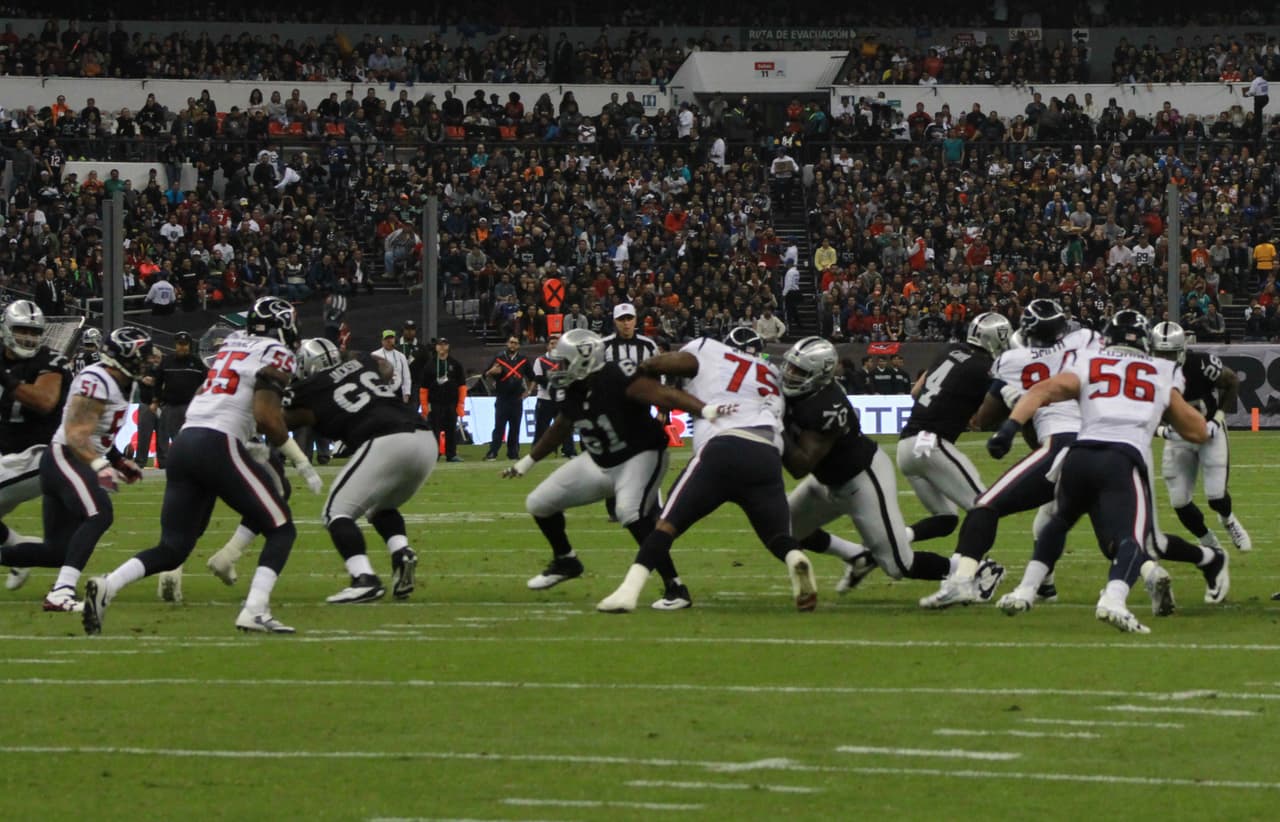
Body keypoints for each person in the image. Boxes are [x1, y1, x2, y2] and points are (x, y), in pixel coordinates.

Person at [82, 297, 323, 635]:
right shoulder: (276, 352)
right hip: (217, 442)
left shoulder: (230, 345)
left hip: (185, 442)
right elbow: (266, 416)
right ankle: (254, 610)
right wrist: (301, 462)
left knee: (173, 548)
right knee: (281, 527)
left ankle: (109, 584)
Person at [987, 310, 1213, 633]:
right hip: (1122, 457)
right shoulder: (1163, 369)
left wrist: (1009, 429)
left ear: (1107, 338)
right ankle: (1114, 600)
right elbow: (1196, 431)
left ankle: (1025, 590)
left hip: (1080, 454)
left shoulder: (1089, 359)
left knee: (1058, 520)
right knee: (1133, 540)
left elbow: (1041, 391)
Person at [596, 327, 817, 613]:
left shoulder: (708, 349)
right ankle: (795, 558)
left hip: (722, 446)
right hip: (766, 451)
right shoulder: (771, 371)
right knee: (777, 536)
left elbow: (672, 363)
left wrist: (646, 367)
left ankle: (628, 591)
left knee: (665, 526)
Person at [503, 328, 707, 607]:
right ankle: (566, 561)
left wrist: (706, 411)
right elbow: (562, 425)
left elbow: (665, 396)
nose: (558, 367)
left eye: (564, 361)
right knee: (539, 503)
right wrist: (526, 462)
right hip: (599, 462)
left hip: (640, 455)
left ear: (583, 360)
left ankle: (675, 587)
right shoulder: (570, 388)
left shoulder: (616, 377)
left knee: (630, 513)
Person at [920, 300, 1100, 609]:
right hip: (1100, 446)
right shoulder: (1084, 342)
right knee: (1112, 526)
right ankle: (1165, 569)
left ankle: (962, 580)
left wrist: (1008, 404)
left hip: (1061, 443)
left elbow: (983, 420)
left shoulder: (1012, 360)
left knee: (986, 506)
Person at [247, 338, 434, 603]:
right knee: (379, 505)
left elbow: (278, 419)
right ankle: (401, 552)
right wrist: (352, 364)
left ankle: (364, 578)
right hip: (425, 440)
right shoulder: (365, 362)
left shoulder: (307, 390)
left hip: (386, 439)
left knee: (335, 513)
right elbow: (386, 369)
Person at [779, 337, 956, 596]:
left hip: (863, 479)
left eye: (800, 371)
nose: (790, 375)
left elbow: (800, 466)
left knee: (898, 564)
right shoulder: (798, 391)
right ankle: (856, 556)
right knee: (784, 530)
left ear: (820, 374)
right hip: (827, 481)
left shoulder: (827, 405)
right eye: (790, 367)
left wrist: (774, 422)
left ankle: (967, 570)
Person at [19, 328, 150, 612]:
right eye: (141, 355)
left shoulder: (117, 381)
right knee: (99, 513)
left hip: (69, 460)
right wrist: (101, 465)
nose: (147, 361)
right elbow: (76, 435)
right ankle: (60, 593)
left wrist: (117, 460)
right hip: (66, 457)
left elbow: (96, 433)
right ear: (122, 357)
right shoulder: (96, 379)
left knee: (56, 551)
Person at [896, 313, 1012, 548]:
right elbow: (981, 421)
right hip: (931, 444)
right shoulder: (986, 368)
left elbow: (916, 392)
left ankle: (892, 543)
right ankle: (967, 569)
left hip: (905, 447)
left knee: (946, 519)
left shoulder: (948, 350)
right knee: (985, 506)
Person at [1151, 322, 1251, 552]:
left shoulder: (1201, 364)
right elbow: (1141, 408)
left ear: (1182, 351)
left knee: (1216, 496)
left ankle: (1228, 520)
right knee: (1179, 501)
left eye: (1169, 354)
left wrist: (1218, 418)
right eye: (1160, 354)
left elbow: (1232, 381)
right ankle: (1209, 542)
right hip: (1176, 437)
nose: (1165, 360)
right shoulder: (1148, 372)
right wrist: (1161, 430)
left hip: (1208, 432)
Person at [0, 301, 71, 592]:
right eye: (21, 330)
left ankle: (20, 552)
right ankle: (21, 552)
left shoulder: (50, 361)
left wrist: (5, 377)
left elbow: (44, 401)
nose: (28, 337)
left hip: (39, 456)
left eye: (33, 331)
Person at [150, 330, 205, 471]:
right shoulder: (167, 361)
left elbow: (206, 384)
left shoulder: (197, 363)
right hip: (171, 406)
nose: (182, 347)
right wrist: (156, 401)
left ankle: (192, 464)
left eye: (185, 344)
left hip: (191, 407)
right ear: (175, 345)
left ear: (189, 346)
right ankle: (175, 464)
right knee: (172, 437)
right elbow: (158, 382)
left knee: (191, 437)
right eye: (180, 344)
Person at [483, 336, 531, 461]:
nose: (513, 345)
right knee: (499, 427)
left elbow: (533, 377)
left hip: (516, 398)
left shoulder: (523, 360)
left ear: (519, 345)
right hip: (502, 398)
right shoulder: (499, 358)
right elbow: (485, 374)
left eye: (515, 343)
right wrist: (491, 372)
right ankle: (493, 452)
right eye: (511, 342)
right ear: (507, 343)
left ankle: (513, 453)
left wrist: (529, 391)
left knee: (515, 428)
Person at [419, 337, 466, 462]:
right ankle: (435, 454)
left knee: (451, 429)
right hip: (435, 403)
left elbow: (462, 386)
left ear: (448, 347)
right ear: (436, 347)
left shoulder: (455, 364)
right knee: (435, 429)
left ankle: (451, 454)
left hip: (451, 402)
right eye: (439, 345)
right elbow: (424, 388)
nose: (442, 347)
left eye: (444, 345)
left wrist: (460, 404)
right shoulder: (429, 366)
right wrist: (424, 406)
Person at [529, 333, 576, 459]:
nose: (554, 346)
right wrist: (553, 385)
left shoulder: (565, 361)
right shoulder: (540, 360)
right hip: (545, 399)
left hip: (561, 398)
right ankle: (536, 452)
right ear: (547, 346)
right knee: (541, 426)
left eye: (557, 344)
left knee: (565, 426)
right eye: (552, 343)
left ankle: (569, 450)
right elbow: (538, 377)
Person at [370, 329, 412, 404]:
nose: (389, 341)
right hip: (382, 392)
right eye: (386, 339)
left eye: (391, 338)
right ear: (382, 341)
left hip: (398, 391)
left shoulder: (401, 356)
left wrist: (406, 394)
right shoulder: (375, 355)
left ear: (394, 339)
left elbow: (406, 376)